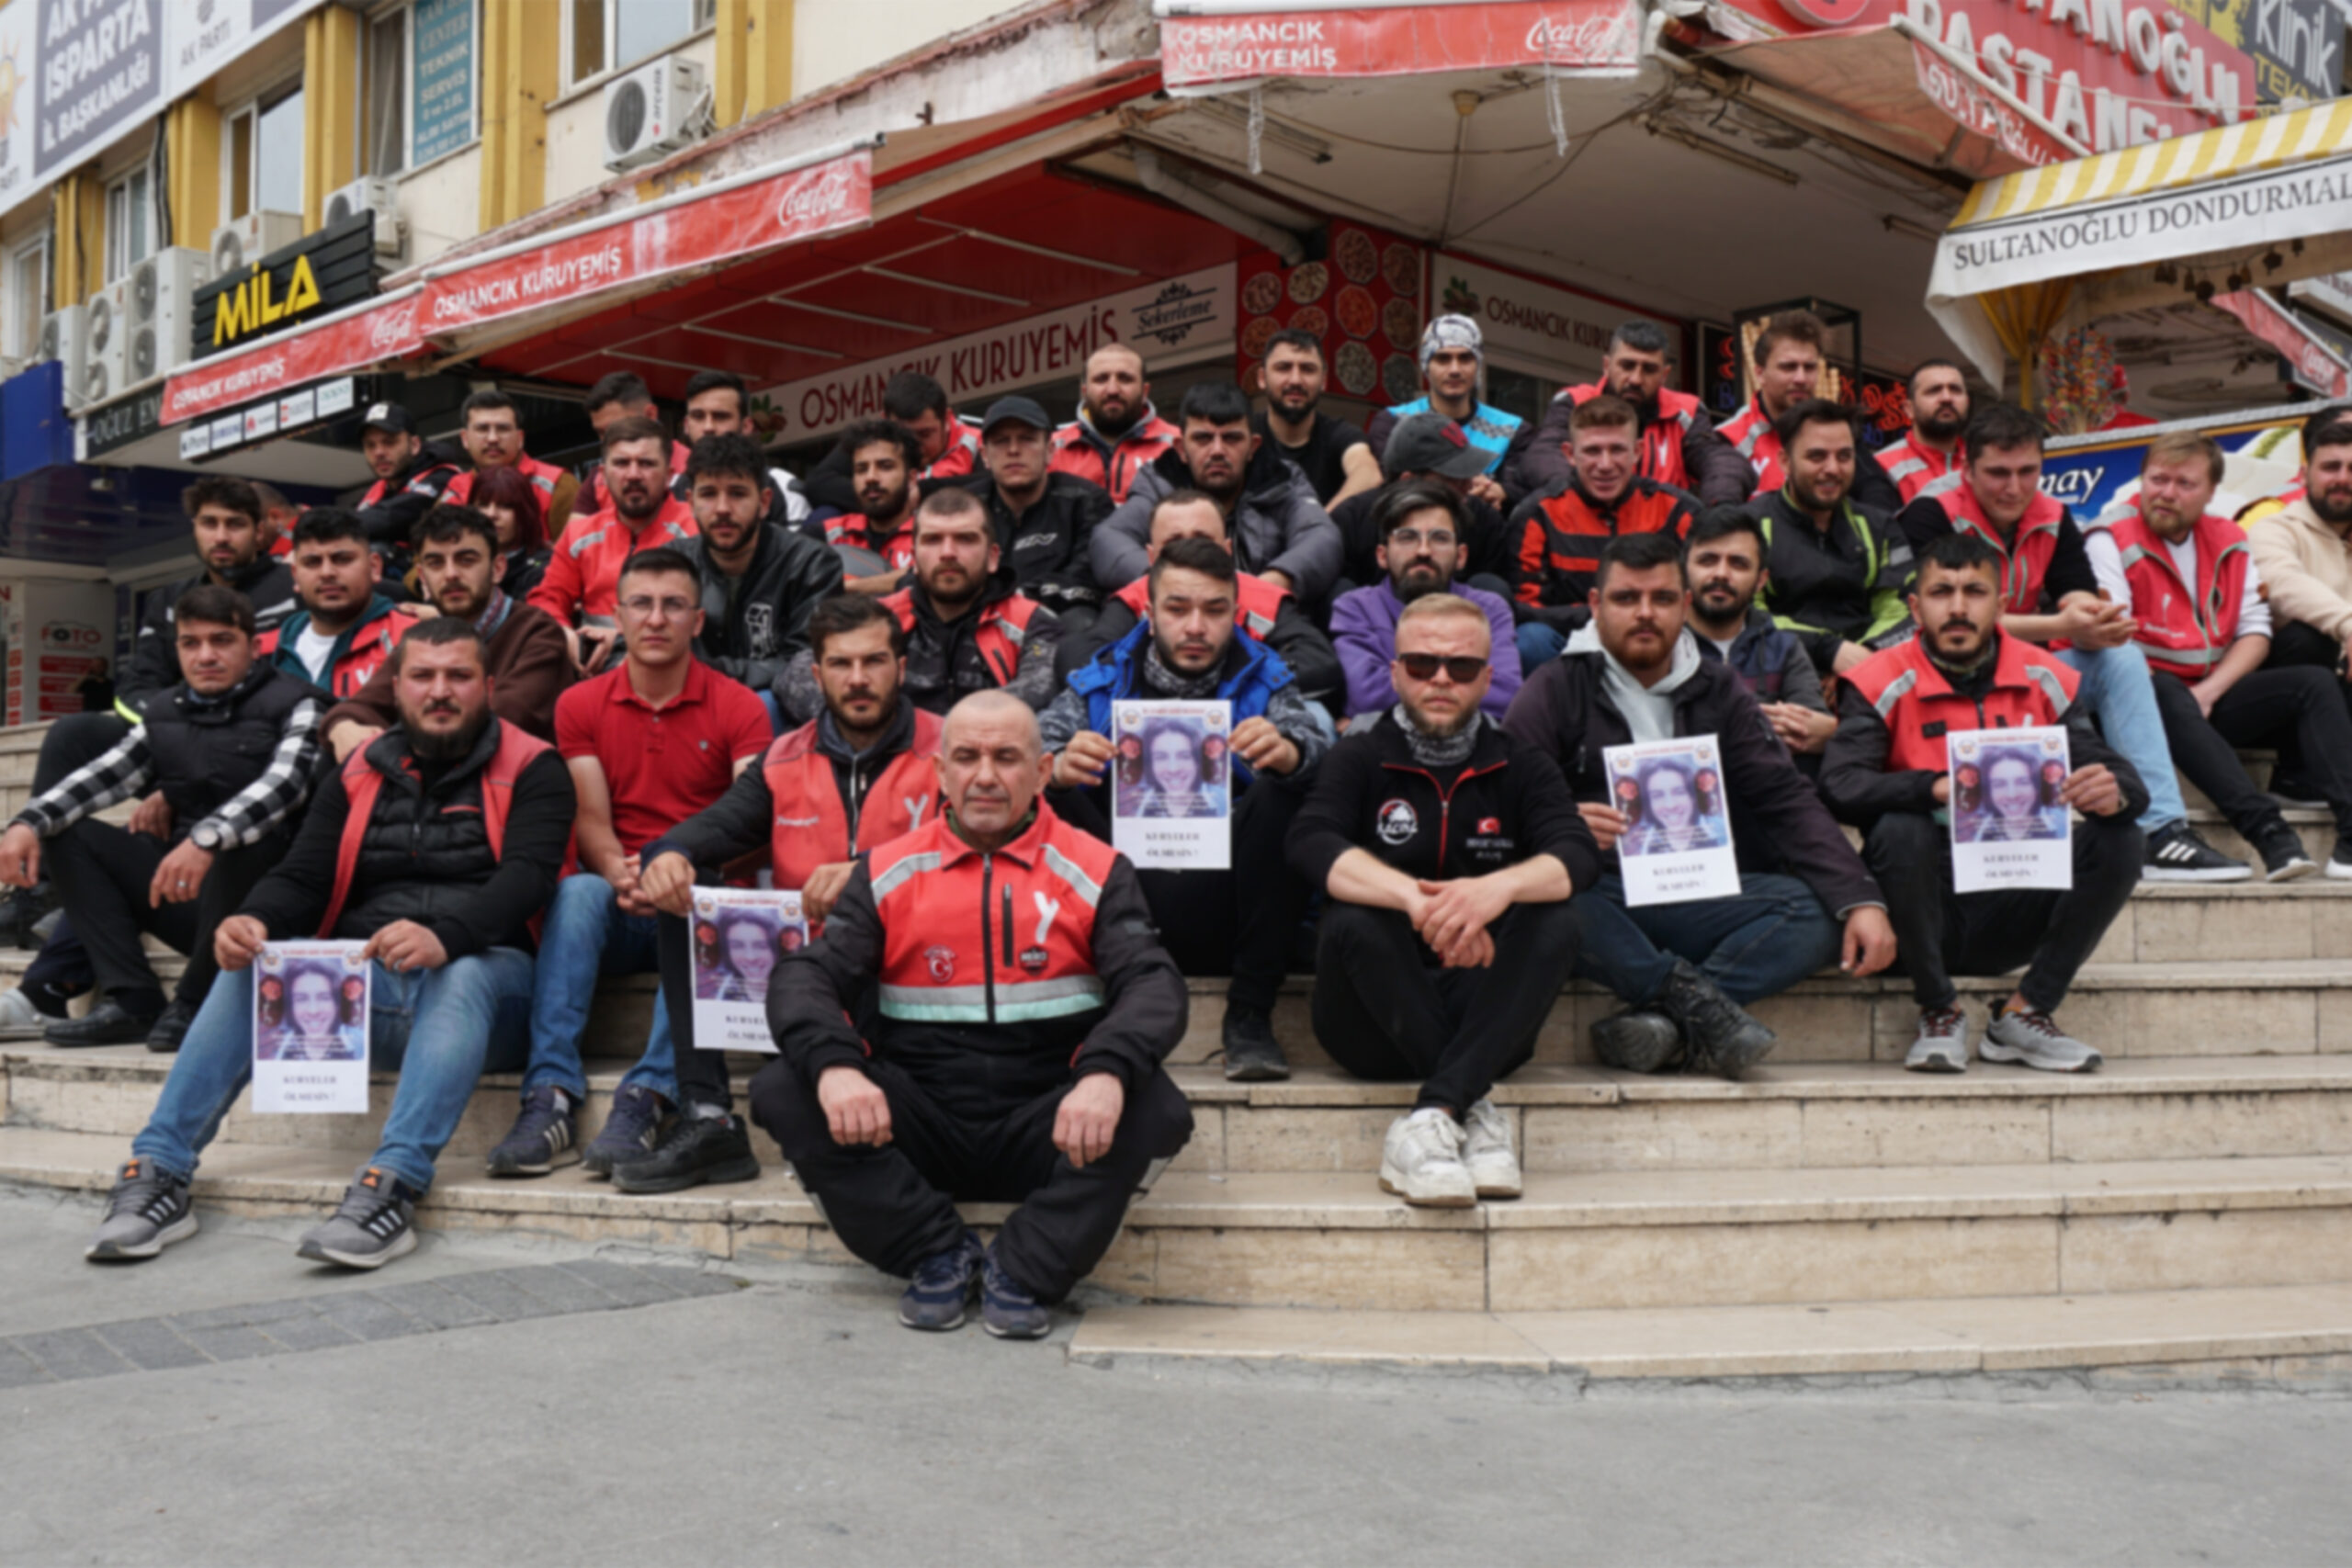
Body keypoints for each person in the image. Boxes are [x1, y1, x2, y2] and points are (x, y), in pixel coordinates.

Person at [84, 617, 576, 1269]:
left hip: (488, 992)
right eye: (423, 676)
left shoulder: (535, 765)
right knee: (252, 968)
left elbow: (528, 879)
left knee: (465, 973)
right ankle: (157, 1171)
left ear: (487, 685)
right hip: (365, 984)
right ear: (396, 687)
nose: (440, 691)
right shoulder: (358, 770)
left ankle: (392, 1187)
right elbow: (305, 874)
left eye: (458, 676)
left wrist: (445, 935)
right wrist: (253, 918)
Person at [759, 691, 1193, 1339]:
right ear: (940, 773)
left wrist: (1105, 1073)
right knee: (782, 1087)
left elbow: (1154, 982)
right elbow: (804, 976)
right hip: (917, 1122)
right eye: (965, 756)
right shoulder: (885, 870)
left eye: (1006, 757)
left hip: (1052, 1121)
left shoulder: (1096, 867)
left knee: (1155, 1105)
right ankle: (936, 1252)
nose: (985, 775)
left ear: (1042, 772)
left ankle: (1023, 1266)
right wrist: (834, 1066)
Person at [1504, 532, 1894, 1076]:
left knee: (1815, 911)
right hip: (1601, 895)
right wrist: (1560, 824)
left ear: (1685, 605)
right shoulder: (1554, 687)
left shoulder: (1720, 688)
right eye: (1625, 599)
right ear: (1595, 606)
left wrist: (1862, 899)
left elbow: (1784, 797)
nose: (1645, 614)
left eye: (1662, 599)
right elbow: (1500, 805)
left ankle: (1664, 1022)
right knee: (1545, 895)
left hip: (1699, 892)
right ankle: (1697, 1009)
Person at [628, 593, 945, 1193]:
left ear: (901, 669)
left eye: (874, 661)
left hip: (911, 975)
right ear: (816, 673)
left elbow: (986, 851)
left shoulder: (949, 748)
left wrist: (868, 870)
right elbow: (715, 825)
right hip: (804, 981)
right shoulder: (785, 754)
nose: (858, 679)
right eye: (841, 664)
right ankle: (709, 1118)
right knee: (688, 895)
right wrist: (666, 856)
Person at [1290, 593, 1591, 1205]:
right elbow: (1310, 840)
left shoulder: (1522, 763)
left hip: (1482, 1010)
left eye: (1460, 667)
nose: (1441, 679)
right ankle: (1469, 1106)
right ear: (1397, 671)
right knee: (1354, 914)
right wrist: (1418, 902)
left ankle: (1437, 1114)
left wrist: (1492, 891)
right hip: (1368, 1025)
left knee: (1558, 917)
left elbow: (1577, 852)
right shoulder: (1360, 755)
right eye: (1423, 664)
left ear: (1488, 676)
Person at [485, 547, 771, 1180]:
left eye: (674, 605)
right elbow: (590, 818)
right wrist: (620, 869)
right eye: (641, 603)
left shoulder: (742, 705)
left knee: (695, 900)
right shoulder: (580, 703)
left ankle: (649, 1093)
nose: (657, 618)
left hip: (696, 896)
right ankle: (551, 1093)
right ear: (617, 615)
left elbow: (752, 820)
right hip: (617, 898)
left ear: (698, 620)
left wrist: (674, 869)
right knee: (578, 892)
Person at [1824, 533, 2146, 1073]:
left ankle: (2026, 1012)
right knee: (1901, 828)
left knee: (2123, 834)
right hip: (1920, 906)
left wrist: (2116, 794)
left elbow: (2115, 772)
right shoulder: (1879, 676)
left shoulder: (2045, 675)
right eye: (1940, 592)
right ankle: (1938, 1010)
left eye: (1974, 592)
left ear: (2000, 606)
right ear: (1914, 606)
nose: (1956, 608)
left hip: (2014, 897)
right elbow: (1840, 784)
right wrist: (1930, 787)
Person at [1899, 402, 2243, 881]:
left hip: (2019, 671)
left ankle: (2161, 832)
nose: (2014, 487)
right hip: (1947, 678)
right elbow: (1944, 624)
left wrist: (2092, 616)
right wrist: (2065, 626)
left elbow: (2073, 585)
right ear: (1966, 468)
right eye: (1998, 473)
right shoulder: (1929, 512)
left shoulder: (2052, 511)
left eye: (2028, 472)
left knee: (2121, 656)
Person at [1043, 536, 1329, 1083]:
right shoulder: (1102, 681)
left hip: (1231, 903)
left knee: (1286, 790)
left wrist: (1290, 753)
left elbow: (1318, 747)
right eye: (1178, 608)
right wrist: (1052, 766)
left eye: (1214, 610)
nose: (1195, 626)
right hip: (1125, 900)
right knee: (1053, 793)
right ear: (1149, 614)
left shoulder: (1268, 679)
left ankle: (1248, 1015)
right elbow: (1026, 752)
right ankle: (1086, 1005)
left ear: (1237, 616)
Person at [0, 588, 323, 1053]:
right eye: (191, 643)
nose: (206, 655)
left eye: (222, 640)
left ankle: (193, 1000)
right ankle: (133, 997)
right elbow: (104, 775)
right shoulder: (165, 711)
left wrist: (207, 838)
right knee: (67, 831)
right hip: (193, 901)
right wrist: (27, 821)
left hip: (269, 909)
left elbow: (284, 787)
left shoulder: (300, 703)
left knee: (248, 839)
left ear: (254, 648)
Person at [2090, 432, 2352, 880]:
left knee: (2313, 680)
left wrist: (2210, 691)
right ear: (2142, 480)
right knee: (2164, 689)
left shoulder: (2229, 537)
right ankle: (2270, 832)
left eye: (2185, 484)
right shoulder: (2108, 535)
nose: (2167, 493)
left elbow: (2255, 630)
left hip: (2206, 689)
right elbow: (2115, 641)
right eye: (2158, 479)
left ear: (2211, 493)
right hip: (2137, 697)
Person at [775, 489, 1062, 723]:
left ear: (992, 557)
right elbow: (796, 674)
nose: (948, 553)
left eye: (965, 539)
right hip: (890, 760)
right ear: (913, 558)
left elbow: (1041, 688)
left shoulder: (1031, 621)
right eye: (933, 540)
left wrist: (939, 734)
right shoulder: (880, 616)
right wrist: (873, 729)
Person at [323, 505, 576, 758]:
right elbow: (366, 704)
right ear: (422, 576)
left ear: (498, 568)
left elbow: (501, 721)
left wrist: (390, 742)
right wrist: (342, 725)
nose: (451, 574)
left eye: (466, 560)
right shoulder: (424, 638)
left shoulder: (537, 631)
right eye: (436, 563)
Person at [1064, 489, 1340, 701]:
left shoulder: (1261, 595)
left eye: (1202, 540)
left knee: (1315, 718)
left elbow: (1319, 664)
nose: (1189, 553)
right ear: (1150, 556)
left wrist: (1236, 678)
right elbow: (1076, 658)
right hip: (1152, 713)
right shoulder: (1135, 596)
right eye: (1174, 543)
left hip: (1248, 715)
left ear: (1228, 550)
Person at [1096, 381, 1344, 606]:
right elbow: (1108, 538)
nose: (1217, 450)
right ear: (1181, 449)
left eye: (1232, 438)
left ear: (1252, 447)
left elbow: (1321, 536)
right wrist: (1163, 580)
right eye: (1203, 438)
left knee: (1341, 592)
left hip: (1264, 612)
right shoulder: (1158, 482)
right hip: (1173, 616)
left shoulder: (1283, 480)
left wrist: (1277, 580)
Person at [1510, 394, 1701, 670]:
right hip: (1570, 649)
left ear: (1637, 451)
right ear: (1569, 454)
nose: (1605, 464)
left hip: (1658, 639)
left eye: (1617, 450)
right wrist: (1606, 615)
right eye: (1592, 451)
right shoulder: (1538, 513)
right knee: (1531, 641)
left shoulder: (1678, 510)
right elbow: (1526, 610)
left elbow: (1696, 598)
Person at [1742, 399, 1916, 676]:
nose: (1833, 468)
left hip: (1869, 674)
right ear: (1785, 462)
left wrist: (1863, 659)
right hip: (1779, 676)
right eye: (1817, 456)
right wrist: (1829, 652)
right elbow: (1745, 614)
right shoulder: (1748, 525)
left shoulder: (1880, 526)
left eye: (1844, 456)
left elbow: (1905, 609)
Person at [1329, 479, 1523, 722]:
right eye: (1407, 537)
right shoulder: (1355, 608)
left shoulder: (1489, 609)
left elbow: (1505, 696)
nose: (1423, 551)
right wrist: (1464, 689)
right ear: (1382, 555)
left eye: (1439, 538)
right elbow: (1367, 697)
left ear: (1461, 556)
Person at [675, 432, 842, 704]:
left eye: (737, 493)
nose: (722, 509)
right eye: (708, 494)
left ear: (764, 502)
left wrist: (709, 671)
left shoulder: (812, 564)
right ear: (691, 502)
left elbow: (803, 667)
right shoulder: (670, 566)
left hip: (776, 711)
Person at [529, 415, 700, 671]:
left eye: (646, 463)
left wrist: (623, 640)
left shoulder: (695, 528)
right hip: (592, 670)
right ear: (603, 475)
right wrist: (564, 632)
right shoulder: (578, 534)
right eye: (621, 463)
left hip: (674, 665)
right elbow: (546, 598)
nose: (633, 474)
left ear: (669, 475)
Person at [1515, 321, 1750, 506]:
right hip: (1587, 525)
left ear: (1665, 374)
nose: (1636, 379)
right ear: (1607, 366)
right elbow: (1544, 454)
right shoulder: (1574, 402)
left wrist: (1722, 506)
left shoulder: (1685, 411)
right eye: (1627, 366)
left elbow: (1717, 460)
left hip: (1663, 539)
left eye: (1649, 369)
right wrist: (1576, 499)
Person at [1682, 510, 1836, 761]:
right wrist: (1763, 720)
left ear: (1760, 580)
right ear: (1684, 570)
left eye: (1738, 563)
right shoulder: (1662, 644)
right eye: (1707, 560)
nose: (1721, 573)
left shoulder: (1784, 648)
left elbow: (1809, 732)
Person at [1714, 310, 1902, 511]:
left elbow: (1875, 489)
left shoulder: (1837, 427)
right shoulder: (1729, 438)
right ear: (1760, 373)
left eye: (1809, 367)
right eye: (1789, 367)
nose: (1801, 378)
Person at [963, 396, 1109, 626]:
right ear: (984, 456)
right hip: (981, 623)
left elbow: (1084, 576)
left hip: (1059, 621)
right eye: (1001, 441)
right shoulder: (966, 507)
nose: (1013, 450)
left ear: (1050, 451)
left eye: (1027, 439)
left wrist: (1019, 599)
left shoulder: (1085, 500)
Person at [1329, 414, 1518, 589]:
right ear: (1408, 481)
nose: (1468, 485)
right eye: (1452, 478)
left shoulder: (1484, 521)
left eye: (1467, 473)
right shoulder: (1351, 521)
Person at [1364, 315, 1532, 507]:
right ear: (1426, 366)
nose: (1455, 369)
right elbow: (1389, 485)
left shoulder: (1514, 430)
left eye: (1465, 358)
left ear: (1478, 365)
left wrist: (1504, 492)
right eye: (1443, 359)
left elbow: (1532, 489)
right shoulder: (1392, 422)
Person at [2248, 415, 2352, 724]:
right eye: (2331, 467)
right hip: (2283, 689)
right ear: (2305, 474)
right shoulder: (2271, 527)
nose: (2343, 479)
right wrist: (2348, 625)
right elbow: (2283, 584)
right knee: (2307, 637)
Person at [257, 509, 413, 699]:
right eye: (313, 562)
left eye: (342, 560)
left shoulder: (411, 639)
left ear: (374, 567)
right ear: (295, 577)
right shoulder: (261, 650)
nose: (327, 573)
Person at [800, 371, 981, 513]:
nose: (915, 445)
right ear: (884, 422)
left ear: (947, 420)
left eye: (925, 434)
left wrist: (921, 492)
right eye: (903, 434)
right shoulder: (870, 440)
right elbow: (818, 482)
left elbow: (994, 483)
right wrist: (886, 500)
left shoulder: (978, 442)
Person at [1250, 330, 1381, 507]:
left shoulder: (1340, 434)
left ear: (1323, 381)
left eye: (1307, 369)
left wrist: (1318, 526)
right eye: (1283, 368)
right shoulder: (1245, 434)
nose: (1296, 380)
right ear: (1261, 378)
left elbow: (1369, 474)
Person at [676, 368, 810, 526]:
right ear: (686, 425)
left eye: (720, 416)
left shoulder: (783, 487)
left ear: (747, 426)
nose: (708, 427)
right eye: (698, 416)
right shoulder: (669, 491)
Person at [1047, 343, 1180, 502]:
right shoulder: (1052, 449)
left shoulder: (1177, 444)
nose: (1112, 390)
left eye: (1125, 379)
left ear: (1145, 392)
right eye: (1101, 379)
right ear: (1084, 392)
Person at [442, 387, 581, 536]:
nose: (493, 438)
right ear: (464, 439)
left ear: (520, 438)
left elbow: (580, 554)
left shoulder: (557, 485)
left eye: (503, 429)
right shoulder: (454, 491)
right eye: (482, 429)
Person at [353, 401, 463, 558]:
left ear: (414, 445)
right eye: (370, 445)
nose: (379, 452)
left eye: (389, 442)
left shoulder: (443, 477)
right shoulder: (378, 490)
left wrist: (330, 524)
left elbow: (395, 516)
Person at [826, 419, 923, 593]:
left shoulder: (930, 533)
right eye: (861, 469)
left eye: (885, 467)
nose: (871, 477)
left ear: (911, 479)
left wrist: (848, 587)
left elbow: (926, 577)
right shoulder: (830, 533)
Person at [577, 372, 692, 514]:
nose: (608, 440)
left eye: (619, 428)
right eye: (600, 432)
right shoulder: (597, 477)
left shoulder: (693, 467)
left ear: (650, 415)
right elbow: (576, 533)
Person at [1880, 360, 1971, 503]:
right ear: (1909, 409)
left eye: (1955, 389)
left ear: (1967, 402)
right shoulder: (1882, 466)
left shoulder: (1983, 461)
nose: (1947, 398)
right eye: (1934, 390)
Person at [466, 463, 554, 604]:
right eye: (483, 505)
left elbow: (522, 620)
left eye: (504, 506)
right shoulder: (457, 563)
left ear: (525, 513)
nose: (491, 514)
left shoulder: (544, 567)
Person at [258, 963, 365, 1061]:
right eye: (301, 999)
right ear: (291, 1006)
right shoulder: (279, 1048)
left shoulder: (359, 1044)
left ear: (337, 1004)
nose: (313, 1010)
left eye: (324, 998)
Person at [1958, 748, 2068, 841]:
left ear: (2037, 788)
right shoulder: (1976, 835)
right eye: (1999, 785)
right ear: (1988, 792)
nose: (2012, 795)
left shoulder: (2061, 831)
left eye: (2023, 782)